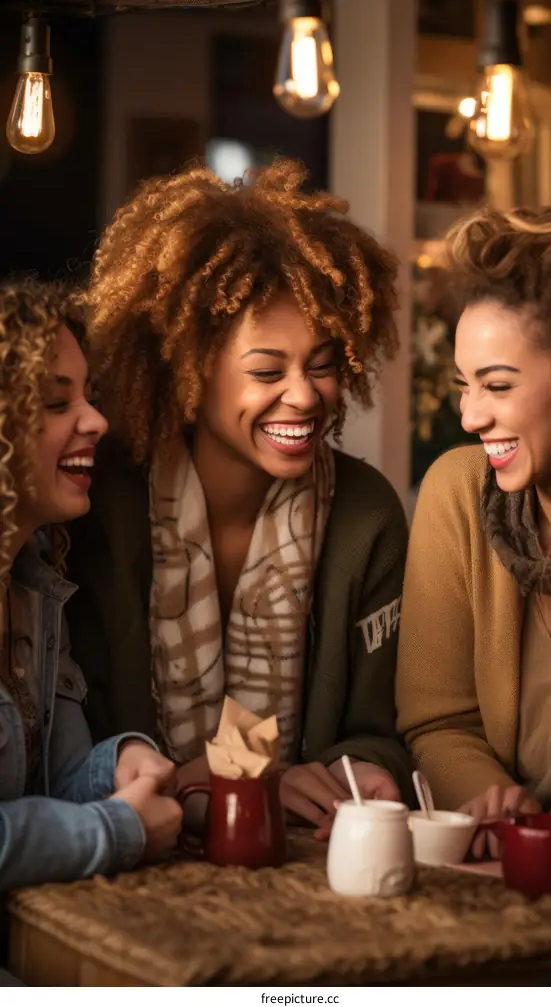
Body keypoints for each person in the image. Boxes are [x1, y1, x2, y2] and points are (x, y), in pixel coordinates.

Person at [65, 159, 414, 840]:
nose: (305, 395)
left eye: (322, 364)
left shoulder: (366, 514)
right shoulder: (97, 503)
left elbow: (382, 733)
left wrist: (357, 772)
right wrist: (220, 780)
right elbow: (72, 746)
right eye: (266, 370)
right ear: (187, 367)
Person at [397, 201, 551, 858]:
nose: (469, 416)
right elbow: (439, 717)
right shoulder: (458, 493)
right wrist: (490, 800)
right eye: (463, 385)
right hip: (500, 873)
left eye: (497, 384)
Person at [0, 279, 183, 908]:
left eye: (90, 396)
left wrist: (120, 763)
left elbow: (55, 782)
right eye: (56, 404)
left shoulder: (35, 578)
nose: (97, 421)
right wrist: (118, 828)